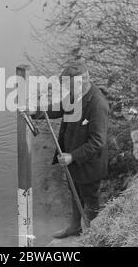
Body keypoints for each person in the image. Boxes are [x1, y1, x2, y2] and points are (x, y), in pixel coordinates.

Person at [31, 59, 109, 239]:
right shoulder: (76, 95)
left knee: (90, 199)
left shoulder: (98, 104)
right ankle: (75, 227)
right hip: (72, 160)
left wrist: (72, 156)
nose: (66, 89)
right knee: (74, 193)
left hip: (88, 164)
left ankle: (94, 235)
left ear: (82, 81)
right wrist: (35, 111)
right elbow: (58, 108)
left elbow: (98, 142)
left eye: (69, 85)